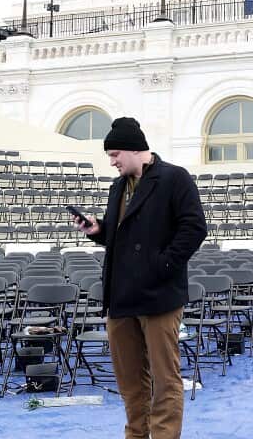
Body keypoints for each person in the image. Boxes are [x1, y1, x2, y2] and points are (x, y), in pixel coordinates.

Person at [74, 118, 207, 439]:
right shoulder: (117, 187)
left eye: (116, 153)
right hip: (121, 297)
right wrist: (99, 230)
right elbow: (121, 235)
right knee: (130, 383)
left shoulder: (175, 178)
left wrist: (161, 266)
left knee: (165, 381)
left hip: (159, 296)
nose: (112, 161)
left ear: (136, 149)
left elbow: (194, 229)